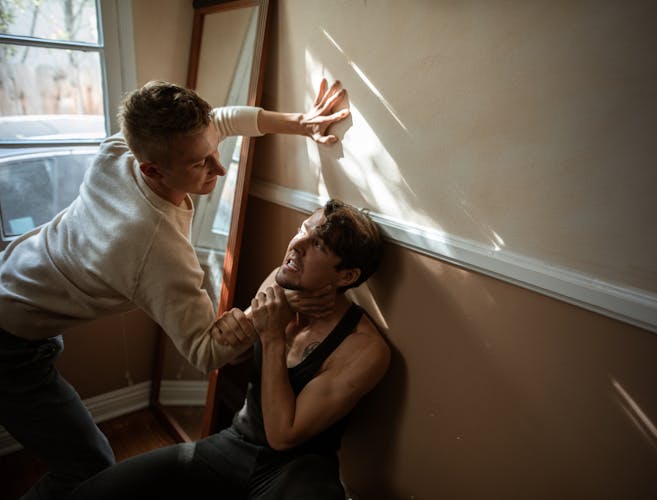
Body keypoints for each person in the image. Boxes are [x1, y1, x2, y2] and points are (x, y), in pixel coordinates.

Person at [0, 79, 349, 499]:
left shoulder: (120, 150)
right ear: (152, 169)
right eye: (200, 163)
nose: (219, 170)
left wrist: (300, 123)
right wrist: (277, 302)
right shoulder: (154, 246)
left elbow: (220, 120)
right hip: (8, 342)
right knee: (86, 466)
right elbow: (205, 352)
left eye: (211, 152)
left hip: (12, 282)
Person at [68, 199, 391, 500]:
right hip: (234, 443)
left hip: (297, 469)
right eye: (301, 230)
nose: (296, 245)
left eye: (317, 244)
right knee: (98, 491)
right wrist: (244, 325)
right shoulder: (280, 284)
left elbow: (282, 435)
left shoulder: (364, 349)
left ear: (346, 275)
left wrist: (273, 335)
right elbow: (231, 355)